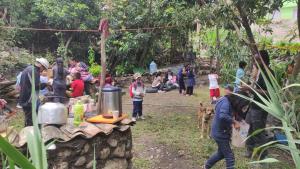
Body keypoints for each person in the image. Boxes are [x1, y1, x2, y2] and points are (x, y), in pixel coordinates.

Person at [241, 50, 274, 159]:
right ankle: (249, 150)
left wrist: (251, 89)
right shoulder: (260, 71)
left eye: (257, 59)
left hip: (260, 108)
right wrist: (249, 89)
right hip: (254, 105)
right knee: (247, 126)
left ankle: (263, 157)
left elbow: (268, 92)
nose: (255, 61)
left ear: (264, 60)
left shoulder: (268, 73)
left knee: (258, 131)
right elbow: (257, 89)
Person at [205, 85, 242, 169]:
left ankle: (207, 165)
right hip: (220, 133)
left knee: (221, 153)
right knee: (230, 156)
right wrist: (234, 122)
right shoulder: (226, 103)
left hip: (217, 131)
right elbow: (223, 115)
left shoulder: (222, 99)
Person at [19, 58, 49, 126]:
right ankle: (30, 133)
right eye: (43, 68)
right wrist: (46, 84)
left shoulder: (28, 68)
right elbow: (37, 86)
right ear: (41, 65)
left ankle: (27, 131)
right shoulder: (35, 71)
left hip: (24, 96)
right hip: (29, 99)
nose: (42, 70)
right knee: (30, 120)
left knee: (28, 118)